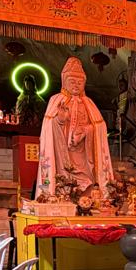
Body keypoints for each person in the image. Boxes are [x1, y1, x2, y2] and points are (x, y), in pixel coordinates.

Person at [35, 57, 115, 199]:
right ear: (65, 82)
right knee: (64, 179)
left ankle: (85, 200)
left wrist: (86, 131)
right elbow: (49, 126)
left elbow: (100, 126)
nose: (76, 85)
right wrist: (60, 119)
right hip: (63, 152)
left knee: (86, 180)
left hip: (84, 152)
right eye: (72, 82)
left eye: (80, 82)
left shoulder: (88, 103)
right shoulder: (56, 100)